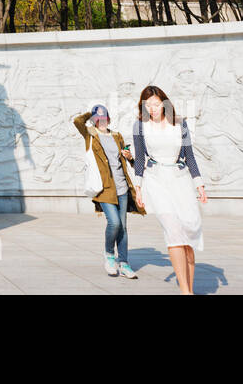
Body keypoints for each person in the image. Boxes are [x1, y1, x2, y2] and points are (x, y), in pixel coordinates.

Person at [130, 85, 208, 294]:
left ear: (164, 103)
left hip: (180, 179)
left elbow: (190, 157)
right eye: (148, 106)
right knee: (173, 232)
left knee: (188, 233)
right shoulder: (140, 126)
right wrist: (138, 187)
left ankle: (189, 288)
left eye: (156, 104)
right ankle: (185, 291)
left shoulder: (180, 124)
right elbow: (139, 159)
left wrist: (199, 184)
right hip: (156, 180)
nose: (153, 109)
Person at [74, 104, 145, 278]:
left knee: (123, 227)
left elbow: (126, 159)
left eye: (104, 118)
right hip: (104, 188)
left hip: (122, 187)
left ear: (109, 118)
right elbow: (77, 122)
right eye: (98, 119)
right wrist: (91, 114)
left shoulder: (117, 136)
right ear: (94, 121)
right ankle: (109, 255)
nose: (102, 122)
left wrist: (129, 157)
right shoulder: (91, 135)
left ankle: (125, 263)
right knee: (114, 223)